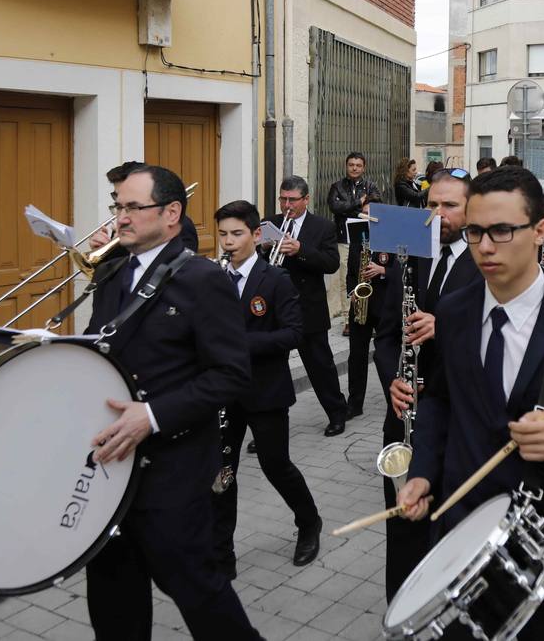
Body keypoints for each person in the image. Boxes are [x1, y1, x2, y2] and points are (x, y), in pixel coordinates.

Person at [397, 167, 544, 639]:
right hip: (463, 556)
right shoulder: (454, 310)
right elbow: (442, 401)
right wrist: (424, 471)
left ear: (542, 230)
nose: (485, 247)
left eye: (502, 231)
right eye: (474, 232)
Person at [80, 165, 259, 640]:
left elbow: (231, 375)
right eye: (117, 206)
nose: (121, 218)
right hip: (112, 467)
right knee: (112, 596)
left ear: (172, 213)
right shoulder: (113, 269)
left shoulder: (203, 279)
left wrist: (153, 416)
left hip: (173, 469)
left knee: (199, 591)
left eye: (133, 207)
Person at [376, 168, 481, 599]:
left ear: (470, 209)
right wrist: (391, 383)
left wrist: (446, 327)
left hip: (457, 415)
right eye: (432, 204)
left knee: (450, 521)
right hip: (405, 414)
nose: (439, 214)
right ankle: (401, 607)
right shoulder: (410, 253)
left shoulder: (485, 260)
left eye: (450, 206)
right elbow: (386, 335)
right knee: (402, 521)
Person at [210, 200, 321, 577]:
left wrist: (240, 343)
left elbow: (293, 333)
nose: (228, 242)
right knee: (223, 471)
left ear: (256, 235)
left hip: (265, 390)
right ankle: (223, 552)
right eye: (223, 234)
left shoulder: (275, 279)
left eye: (237, 234)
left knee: (276, 466)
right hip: (223, 393)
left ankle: (308, 523)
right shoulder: (213, 277)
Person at [268, 175, 350, 434]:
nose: (286, 205)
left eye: (292, 200)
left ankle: (337, 413)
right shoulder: (271, 223)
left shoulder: (322, 226)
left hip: (307, 307)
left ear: (306, 199)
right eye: (283, 199)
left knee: (320, 366)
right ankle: (267, 425)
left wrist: (301, 249)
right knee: (270, 371)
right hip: (275, 309)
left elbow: (331, 263)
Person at [344, 199, 390, 416]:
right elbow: (351, 272)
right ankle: (354, 404)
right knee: (356, 355)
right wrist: (351, 292)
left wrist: (382, 270)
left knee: (385, 354)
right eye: (363, 213)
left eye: (370, 214)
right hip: (361, 302)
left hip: (383, 304)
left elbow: (403, 270)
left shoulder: (392, 238)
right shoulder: (357, 239)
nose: (366, 217)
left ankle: (393, 399)